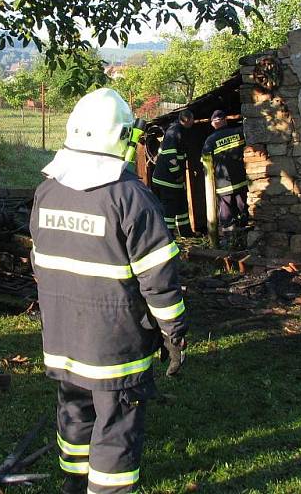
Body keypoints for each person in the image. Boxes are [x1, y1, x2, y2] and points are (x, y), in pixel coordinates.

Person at [29, 88, 188, 494]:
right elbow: (159, 279)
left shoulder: (47, 191)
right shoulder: (131, 198)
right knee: (116, 427)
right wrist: (173, 334)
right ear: (120, 137)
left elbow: (40, 267)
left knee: (75, 412)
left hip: (63, 339)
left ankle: (74, 484)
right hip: (115, 347)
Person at [201, 109, 249, 246]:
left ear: (213, 124)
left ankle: (229, 241)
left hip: (223, 185)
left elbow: (205, 164)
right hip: (241, 180)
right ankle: (245, 237)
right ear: (225, 120)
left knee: (226, 213)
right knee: (243, 208)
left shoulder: (210, 141)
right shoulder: (238, 133)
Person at [151, 109, 195, 237]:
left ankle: (186, 233)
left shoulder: (179, 130)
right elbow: (171, 157)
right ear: (187, 120)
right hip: (167, 180)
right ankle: (168, 236)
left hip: (175, 181)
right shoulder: (174, 132)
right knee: (169, 210)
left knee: (181, 206)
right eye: (192, 120)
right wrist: (178, 175)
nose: (193, 123)